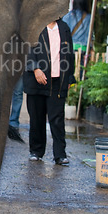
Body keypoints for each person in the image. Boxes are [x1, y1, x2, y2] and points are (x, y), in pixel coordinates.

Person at [23, 19, 76, 165]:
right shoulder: (34, 25)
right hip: (37, 80)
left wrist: (70, 77)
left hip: (57, 81)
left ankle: (60, 154)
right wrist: (35, 68)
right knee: (37, 118)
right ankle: (36, 151)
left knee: (57, 119)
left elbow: (70, 54)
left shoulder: (64, 28)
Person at [7, 77, 25, 143]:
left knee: (18, 93)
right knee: (5, 93)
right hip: (4, 68)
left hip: (18, 69)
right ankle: (3, 122)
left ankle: (13, 124)